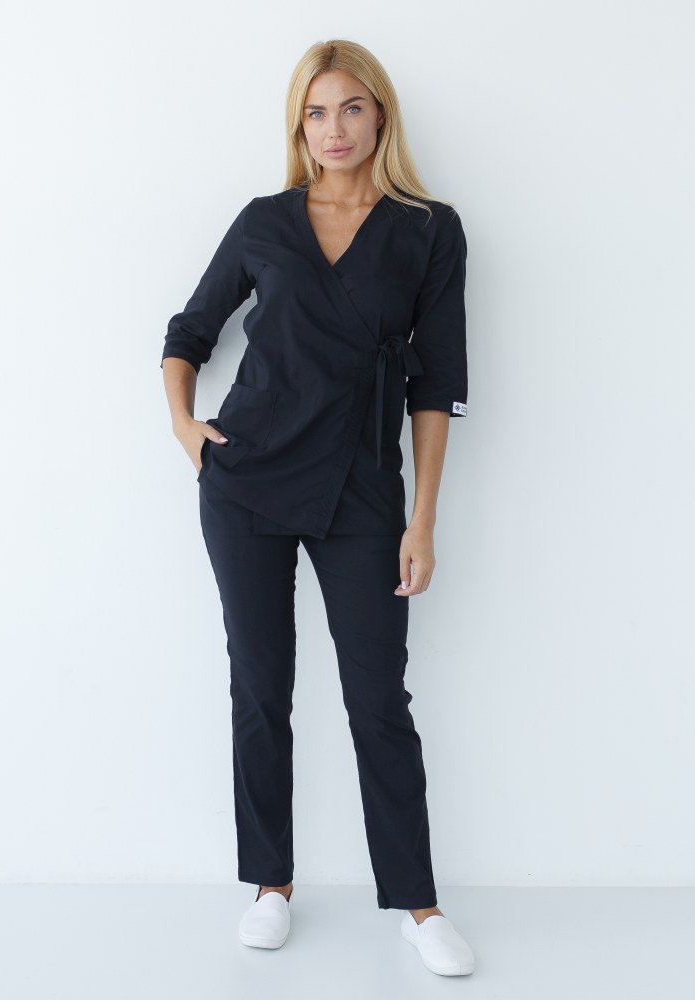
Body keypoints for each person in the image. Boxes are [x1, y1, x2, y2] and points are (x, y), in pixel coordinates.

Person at [160, 39, 476, 977]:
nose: (334, 130)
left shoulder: (428, 229)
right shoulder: (266, 220)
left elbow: (437, 385)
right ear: (299, 126)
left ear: (380, 114)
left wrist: (422, 519)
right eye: (315, 112)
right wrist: (186, 428)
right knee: (260, 688)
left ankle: (418, 905)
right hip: (248, 479)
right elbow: (189, 331)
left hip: (362, 487)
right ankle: (270, 885)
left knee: (379, 698)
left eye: (350, 108)